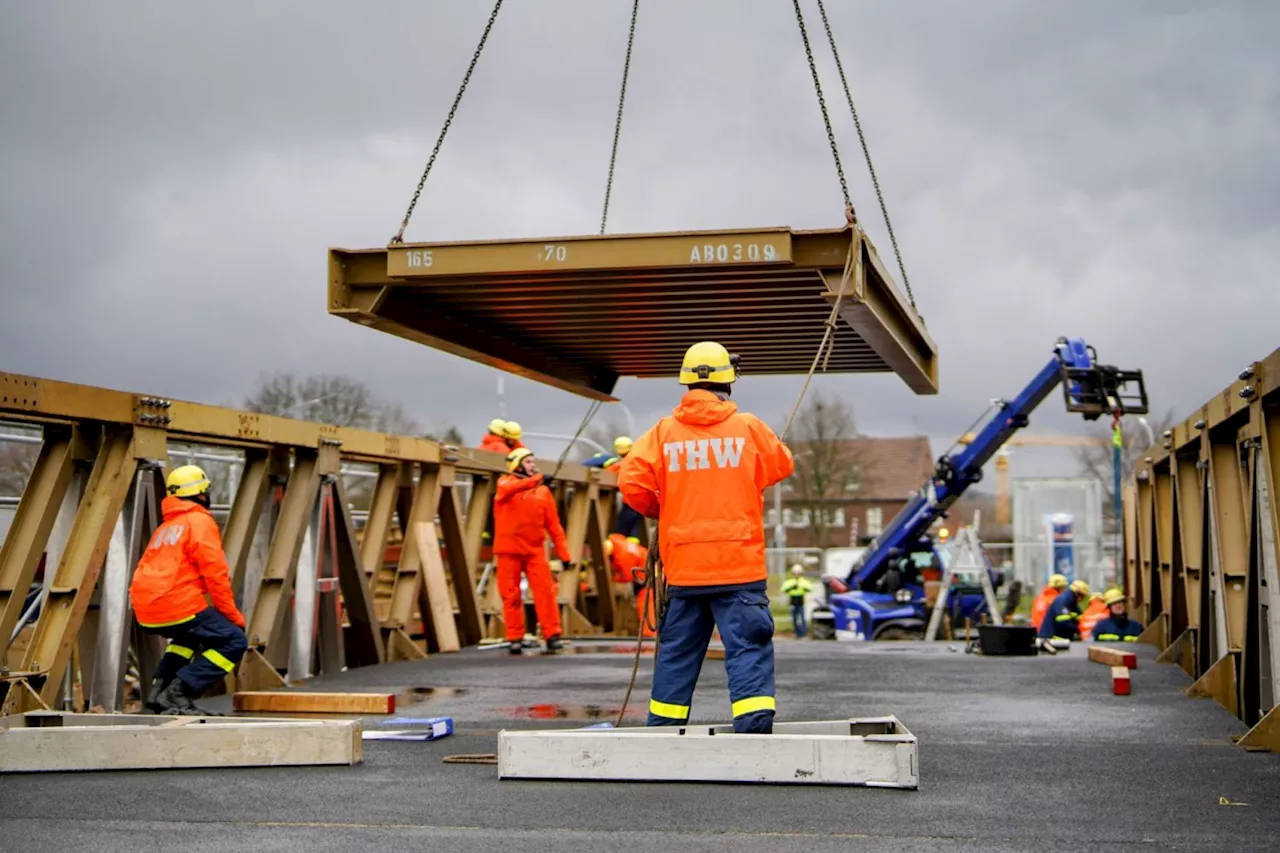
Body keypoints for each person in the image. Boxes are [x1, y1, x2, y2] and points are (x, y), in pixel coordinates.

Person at [616, 340, 795, 734]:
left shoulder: (663, 434)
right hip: (739, 567)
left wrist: (665, 510)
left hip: (685, 570)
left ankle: (663, 730)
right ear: (728, 382)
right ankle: (753, 729)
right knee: (747, 647)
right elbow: (782, 465)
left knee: (677, 654)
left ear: (686, 386)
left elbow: (630, 481)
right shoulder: (748, 428)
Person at [128, 465, 248, 715]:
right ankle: (179, 691)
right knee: (234, 640)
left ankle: (159, 690)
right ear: (202, 494)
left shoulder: (165, 528)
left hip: (146, 607)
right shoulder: (200, 522)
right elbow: (216, 576)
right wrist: (233, 617)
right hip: (176, 603)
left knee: (188, 636)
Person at [493, 447, 572, 654]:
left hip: (534, 550)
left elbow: (554, 526)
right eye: (528, 462)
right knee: (510, 596)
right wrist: (536, 479)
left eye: (533, 461)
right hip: (508, 551)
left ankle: (552, 634)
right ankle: (514, 637)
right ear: (517, 465)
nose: (532, 465)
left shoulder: (542, 492)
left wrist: (564, 554)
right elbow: (510, 490)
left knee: (545, 593)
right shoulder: (504, 483)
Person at [605, 532, 654, 637]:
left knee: (646, 604)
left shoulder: (623, 555)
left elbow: (627, 576)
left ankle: (648, 635)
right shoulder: (621, 544)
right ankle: (649, 634)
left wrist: (614, 579)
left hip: (646, 577)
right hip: (648, 571)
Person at [781, 565, 813, 638]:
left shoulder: (804, 581)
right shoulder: (789, 581)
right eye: (795, 572)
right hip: (793, 601)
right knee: (794, 618)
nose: (797, 574)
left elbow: (809, 588)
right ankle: (796, 632)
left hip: (801, 601)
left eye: (798, 572)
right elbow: (784, 589)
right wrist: (792, 587)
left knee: (802, 618)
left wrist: (801, 587)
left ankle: (803, 633)